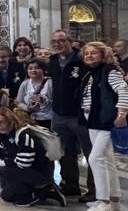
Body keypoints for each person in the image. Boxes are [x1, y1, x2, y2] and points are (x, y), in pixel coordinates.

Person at [78, 42, 128, 211]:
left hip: (104, 119)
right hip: (91, 118)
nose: (89, 56)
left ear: (103, 54)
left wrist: (122, 113)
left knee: (95, 158)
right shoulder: (91, 73)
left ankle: (103, 202)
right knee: (107, 160)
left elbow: (123, 89)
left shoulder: (109, 70)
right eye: (87, 54)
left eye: (94, 53)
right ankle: (114, 200)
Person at [0, 107, 65, 207]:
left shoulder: (24, 134)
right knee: (6, 196)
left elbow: (23, 163)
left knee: (4, 171)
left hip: (39, 172)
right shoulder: (4, 135)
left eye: (2, 122)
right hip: (26, 171)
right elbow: (7, 153)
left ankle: (41, 188)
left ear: (10, 120)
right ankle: (43, 193)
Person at [47, 30, 95, 200]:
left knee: (91, 153)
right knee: (65, 153)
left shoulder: (81, 60)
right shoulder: (51, 61)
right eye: (54, 42)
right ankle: (71, 185)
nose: (58, 44)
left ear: (70, 41)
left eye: (61, 41)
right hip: (59, 114)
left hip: (80, 114)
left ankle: (94, 190)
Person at [15, 58, 53, 128]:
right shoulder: (25, 84)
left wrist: (43, 100)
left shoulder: (50, 83)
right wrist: (28, 108)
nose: (33, 70)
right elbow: (18, 102)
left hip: (48, 119)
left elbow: (55, 101)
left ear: (43, 69)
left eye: (37, 68)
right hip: (30, 120)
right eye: (30, 68)